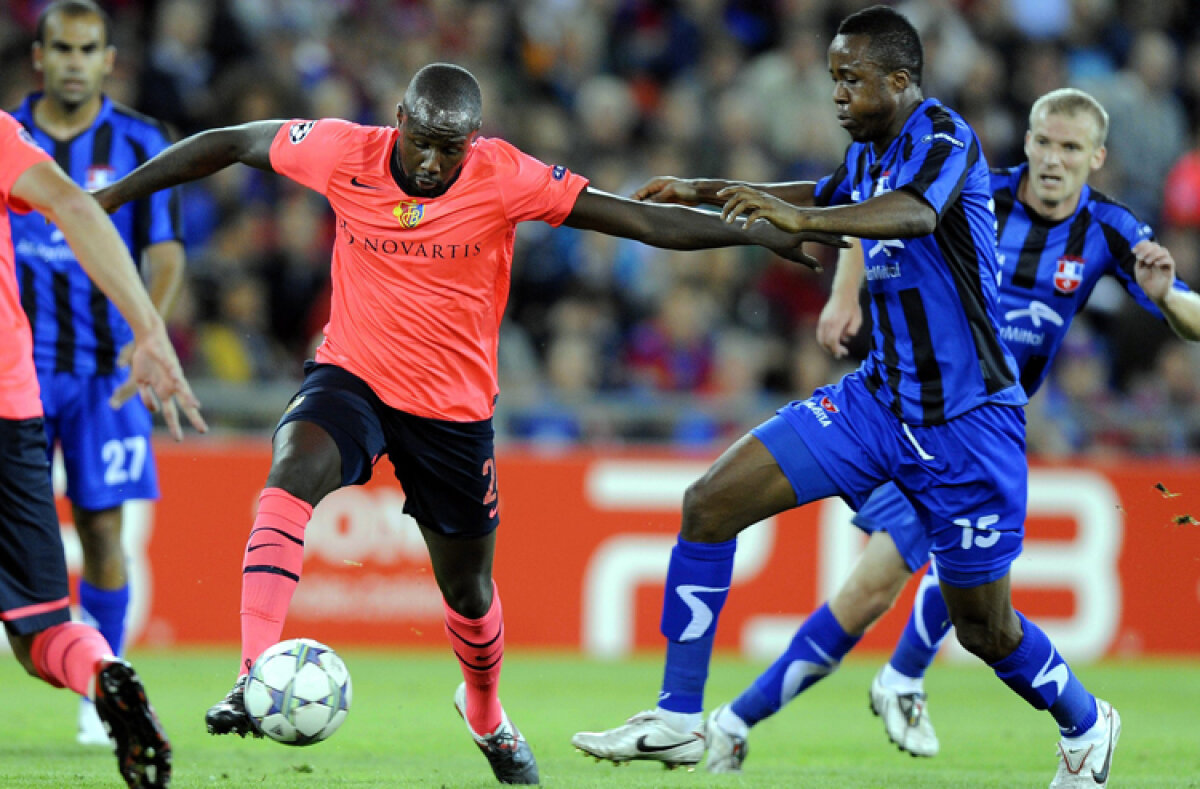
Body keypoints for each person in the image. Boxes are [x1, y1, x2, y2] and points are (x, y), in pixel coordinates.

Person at [93, 62, 843, 786]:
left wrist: (753, 233)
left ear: (475, 140)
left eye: (451, 146)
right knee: (290, 470)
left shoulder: (504, 174)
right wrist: (111, 198)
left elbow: (640, 220)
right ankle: (253, 670)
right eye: (421, 139)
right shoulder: (341, 150)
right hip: (352, 376)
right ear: (399, 122)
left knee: (470, 592)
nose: (431, 159)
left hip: (451, 414)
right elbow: (225, 141)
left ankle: (485, 715)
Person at [570, 8, 1120, 788]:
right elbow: (814, 195)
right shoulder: (866, 155)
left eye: (850, 78)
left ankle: (1088, 721)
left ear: (898, 82)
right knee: (709, 503)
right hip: (876, 405)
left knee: (985, 628)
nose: (836, 93)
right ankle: (678, 718)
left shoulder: (943, 139)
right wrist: (714, 190)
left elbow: (916, 214)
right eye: (833, 76)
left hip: (970, 426)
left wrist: (804, 217)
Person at [696, 85, 1200, 772]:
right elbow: (874, 212)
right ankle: (814, 701)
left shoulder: (1108, 230)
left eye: (1070, 148)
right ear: (1026, 141)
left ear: (1097, 157)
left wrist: (1169, 294)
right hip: (916, 411)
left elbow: (1186, 318)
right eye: (1044, 142)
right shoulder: (975, 191)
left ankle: (774, 711)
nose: (1053, 159)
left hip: (980, 430)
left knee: (915, 593)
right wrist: (846, 293)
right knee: (892, 585)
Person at [0, 105, 204, 787]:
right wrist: (150, 328)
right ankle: (104, 669)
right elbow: (73, 205)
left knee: (104, 527)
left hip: (66, 384)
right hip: (12, 406)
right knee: (41, 635)